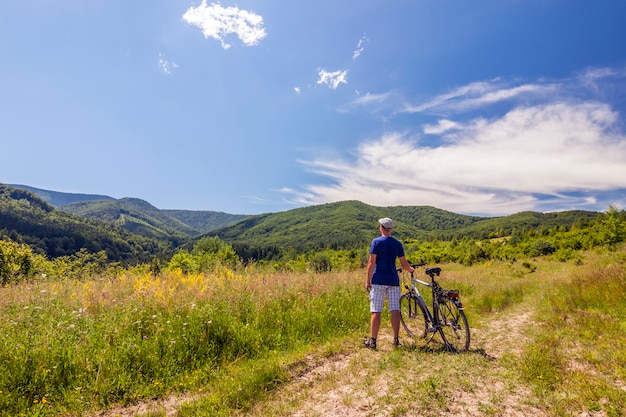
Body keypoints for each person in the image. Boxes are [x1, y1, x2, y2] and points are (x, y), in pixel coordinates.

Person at [364, 217, 415, 350]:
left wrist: (367, 280)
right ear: (391, 229)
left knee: (376, 311)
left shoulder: (376, 242)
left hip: (378, 280)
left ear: (381, 227)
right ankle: (396, 340)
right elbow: (404, 265)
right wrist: (412, 270)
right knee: (395, 310)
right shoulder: (397, 244)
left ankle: (373, 341)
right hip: (393, 281)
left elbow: (371, 263)